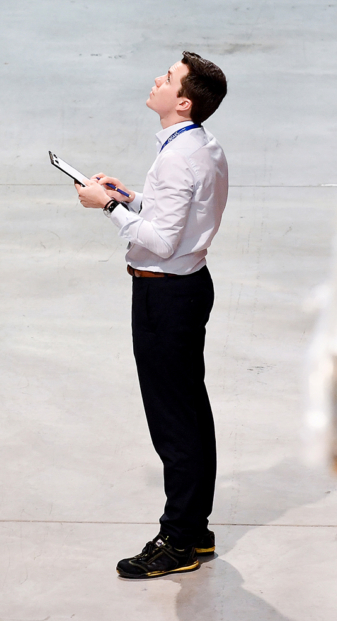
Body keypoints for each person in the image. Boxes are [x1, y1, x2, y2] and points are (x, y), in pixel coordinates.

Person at [74, 51, 229, 579]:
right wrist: (129, 196)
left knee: (174, 420)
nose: (156, 80)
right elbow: (174, 217)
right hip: (184, 289)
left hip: (166, 296)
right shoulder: (199, 147)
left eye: (167, 78)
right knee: (186, 411)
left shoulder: (178, 157)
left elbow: (161, 241)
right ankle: (195, 530)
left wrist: (107, 206)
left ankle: (180, 539)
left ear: (182, 101)